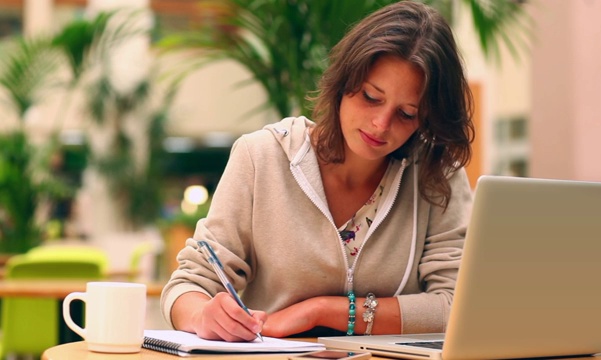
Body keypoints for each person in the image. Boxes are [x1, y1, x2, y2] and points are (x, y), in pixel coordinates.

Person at [161, 0, 474, 342]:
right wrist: (204, 314)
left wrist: (322, 310)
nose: (381, 125)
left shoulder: (435, 174)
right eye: (371, 97)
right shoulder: (261, 157)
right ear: (343, 82)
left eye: (407, 114)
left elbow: (456, 305)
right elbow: (189, 285)